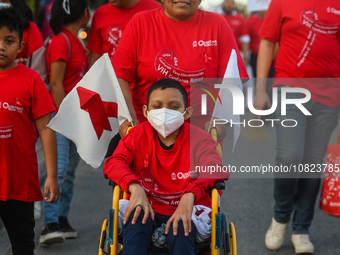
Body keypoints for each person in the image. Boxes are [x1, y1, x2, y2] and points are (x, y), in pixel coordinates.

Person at [104, 79, 228, 255]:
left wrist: (190, 194)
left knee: (181, 226)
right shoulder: (137, 136)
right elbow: (114, 162)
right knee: (136, 219)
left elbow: (215, 168)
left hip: (185, 210)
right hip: (145, 204)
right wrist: (134, 186)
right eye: (157, 106)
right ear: (146, 111)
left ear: (186, 113)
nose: (164, 112)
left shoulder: (200, 139)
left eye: (174, 107)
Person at [253, 0, 340, 253]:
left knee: (313, 161)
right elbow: (267, 42)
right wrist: (260, 90)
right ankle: (280, 218)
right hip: (289, 88)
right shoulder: (281, 2)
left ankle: (302, 227)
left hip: (329, 95)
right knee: (290, 155)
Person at [113, 0, 248, 140]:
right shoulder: (140, 22)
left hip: (201, 133)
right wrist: (129, 119)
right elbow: (120, 76)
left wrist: (219, 119)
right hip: (146, 132)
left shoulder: (218, 24)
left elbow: (232, 79)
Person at [0, 7, 59, 255]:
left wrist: (52, 176)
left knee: (23, 244)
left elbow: (46, 129)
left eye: (9, 41)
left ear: (21, 45)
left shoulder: (31, 79)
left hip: (19, 182)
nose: (1, 46)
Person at [40, 0, 90, 245]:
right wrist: (64, 119)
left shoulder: (77, 44)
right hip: (59, 120)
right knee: (57, 172)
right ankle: (49, 223)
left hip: (74, 121)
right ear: (85, 14)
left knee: (68, 173)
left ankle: (61, 218)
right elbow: (56, 84)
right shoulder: (61, 40)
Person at [86, 0, 162, 68]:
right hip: (110, 81)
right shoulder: (100, 14)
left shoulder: (157, 10)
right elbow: (95, 62)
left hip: (144, 82)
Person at [0, 0, 43, 64]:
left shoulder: (30, 28)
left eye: (9, 41)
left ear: (20, 47)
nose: (1, 47)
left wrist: (16, 64)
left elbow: (37, 60)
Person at [221, 0, 250, 65]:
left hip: (235, 55)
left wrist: (245, 57)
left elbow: (245, 39)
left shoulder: (240, 19)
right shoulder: (217, 17)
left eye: (232, 3)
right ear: (223, 3)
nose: (229, 5)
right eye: (227, 2)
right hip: (219, 54)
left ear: (234, 5)